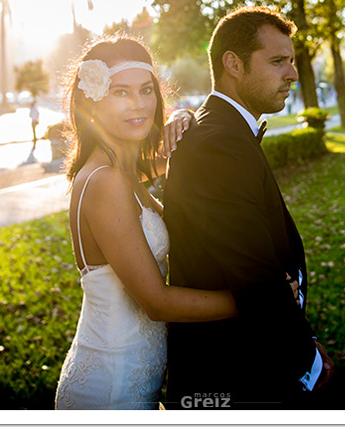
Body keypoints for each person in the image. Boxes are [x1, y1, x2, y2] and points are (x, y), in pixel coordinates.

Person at [54, 34, 246, 410]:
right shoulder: (105, 181)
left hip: (135, 381)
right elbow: (156, 303)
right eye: (121, 93)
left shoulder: (125, 169)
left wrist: (182, 116)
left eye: (146, 90)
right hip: (110, 390)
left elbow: (174, 151)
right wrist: (256, 301)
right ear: (91, 100)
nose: (139, 104)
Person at [163, 6, 333, 410]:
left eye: (291, 61)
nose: (291, 73)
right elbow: (255, 275)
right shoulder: (219, 142)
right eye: (278, 62)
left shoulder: (222, 131)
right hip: (236, 377)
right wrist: (307, 364)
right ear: (233, 64)